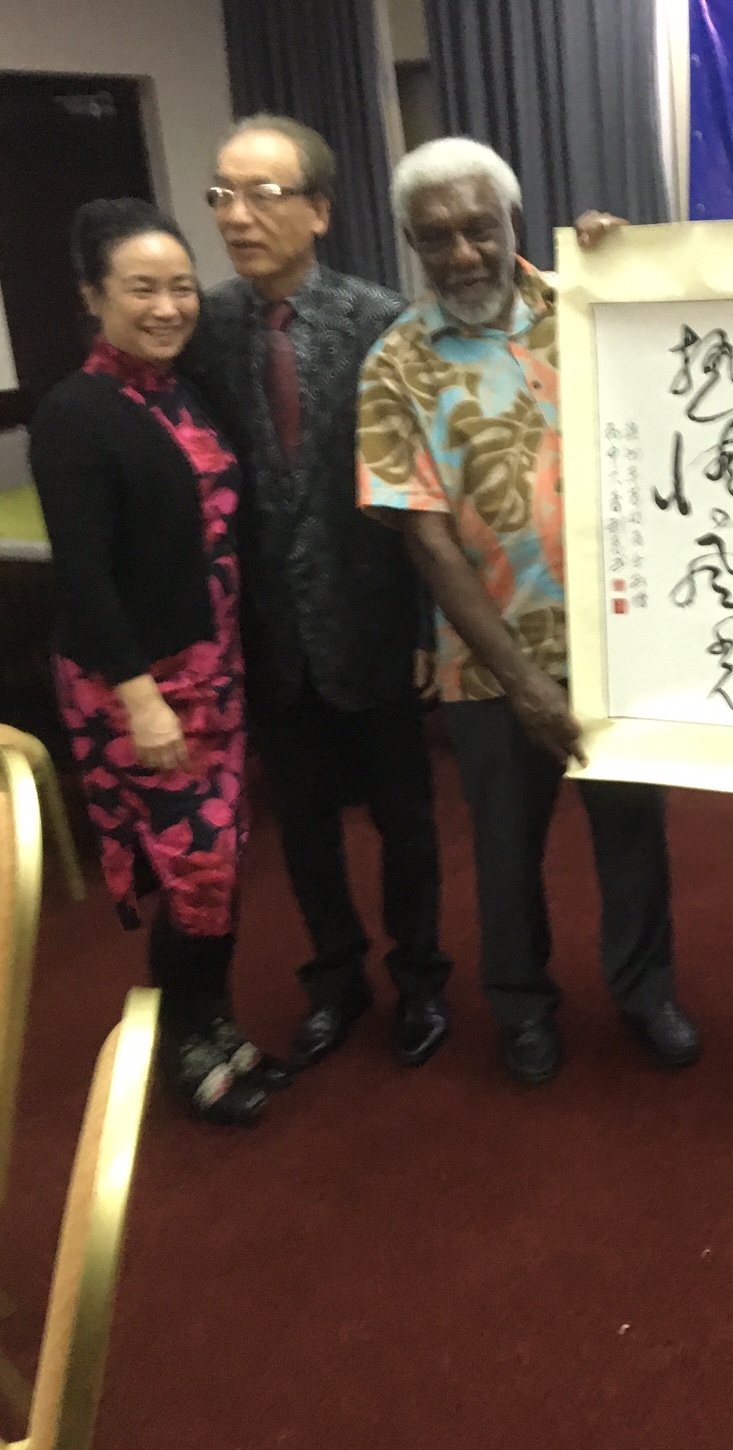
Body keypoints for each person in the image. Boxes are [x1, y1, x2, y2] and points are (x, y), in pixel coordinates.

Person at [359, 138, 700, 1086]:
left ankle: (646, 993)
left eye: (480, 227)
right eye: (438, 238)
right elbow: (424, 539)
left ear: (514, 219)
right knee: (504, 856)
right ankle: (521, 1008)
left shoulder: (590, 304)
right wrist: (522, 685)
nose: (463, 254)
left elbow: (707, 338)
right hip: (486, 666)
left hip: (621, 642)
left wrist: (633, 256)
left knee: (632, 839)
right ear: (411, 245)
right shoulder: (394, 363)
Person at [179, 115, 453, 1072]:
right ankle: (336, 978)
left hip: (374, 620)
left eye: (263, 194)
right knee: (302, 829)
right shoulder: (205, 328)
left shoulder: (381, 322)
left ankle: (422, 978)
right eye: (222, 194)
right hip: (266, 635)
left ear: (320, 212)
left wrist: (426, 622)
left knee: (407, 823)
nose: (237, 216)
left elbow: (424, 484)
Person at [29, 199, 290, 1125]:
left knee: (219, 862)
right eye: (142, 288)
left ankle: (214, 1024)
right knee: (192, 867)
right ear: (94, 295)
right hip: (135, 685)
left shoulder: (184, 392)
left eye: (181, 286)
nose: (169, 306)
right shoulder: (74, 413)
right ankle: (187, 1047)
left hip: (213, 670)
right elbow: (86, 579)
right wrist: (143, 700)